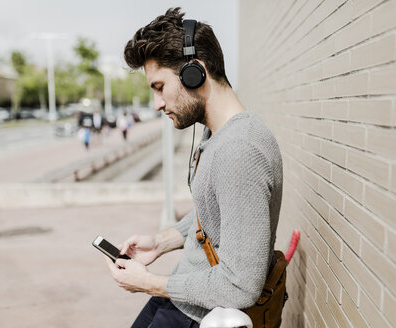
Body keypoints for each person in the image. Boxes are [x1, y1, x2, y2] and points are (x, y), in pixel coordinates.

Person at [103, 7, 283, 328]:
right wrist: (160, 243)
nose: (157, 104)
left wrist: (148, 282)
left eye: (159, 87)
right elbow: (214, 210)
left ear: (194, 72)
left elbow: (240, 286)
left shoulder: (239, 149)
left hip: (197, 314)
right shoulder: (220, 134)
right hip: (182, 294)